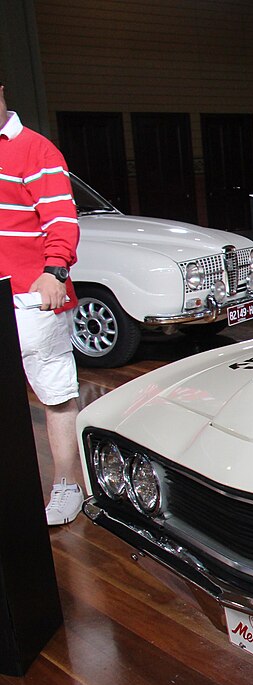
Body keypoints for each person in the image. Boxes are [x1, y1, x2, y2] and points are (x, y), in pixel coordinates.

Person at [0, 83, 84, 525]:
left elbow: (61, 217)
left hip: (31, 297)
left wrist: (54, 270)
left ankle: (67, 486)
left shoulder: (34, 149)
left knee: (54, 392)